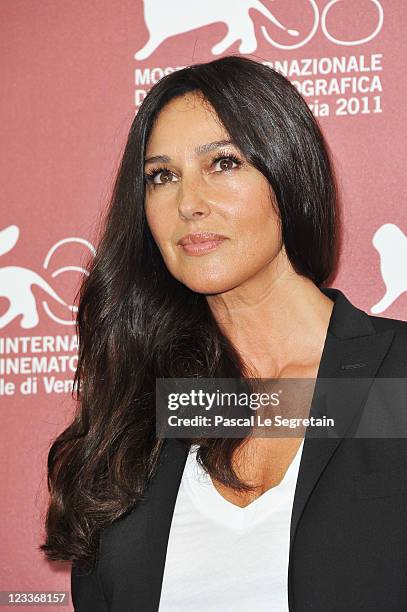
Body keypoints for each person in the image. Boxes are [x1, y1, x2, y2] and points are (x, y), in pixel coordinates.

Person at [41, 55, 407, 611]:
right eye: (162, 176)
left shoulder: (395, 376)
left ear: (288, 175)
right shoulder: (146, 411)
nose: (189, 203)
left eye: (223, 163)